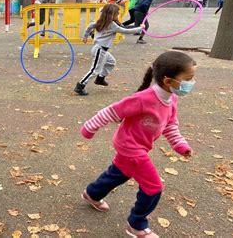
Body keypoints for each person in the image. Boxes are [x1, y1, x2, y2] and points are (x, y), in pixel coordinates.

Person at [80, 51, 196, 238]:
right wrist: (89, 128)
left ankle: (92, 194)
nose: (191, 83)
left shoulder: (172, 98)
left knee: (119, 173)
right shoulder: (144, 99)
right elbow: (112, 111)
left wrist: (180, 145)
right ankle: (136, 224)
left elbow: (171, 125)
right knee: (153, 187)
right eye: (188, 79)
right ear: (168, 81)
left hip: (137, 147)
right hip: (131, 147)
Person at [74, 4, 144, 96]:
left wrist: (85, 36)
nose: (118, 15)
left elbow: (90, 26)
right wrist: (140, 28)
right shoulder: (112, 24)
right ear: (111, 14)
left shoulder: (102, 21)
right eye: (117, 13)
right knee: (95, 70)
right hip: (100, 50)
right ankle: (80, 86)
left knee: (111, 62)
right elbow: (125, 30)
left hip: (101, 49)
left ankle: (100, 78)